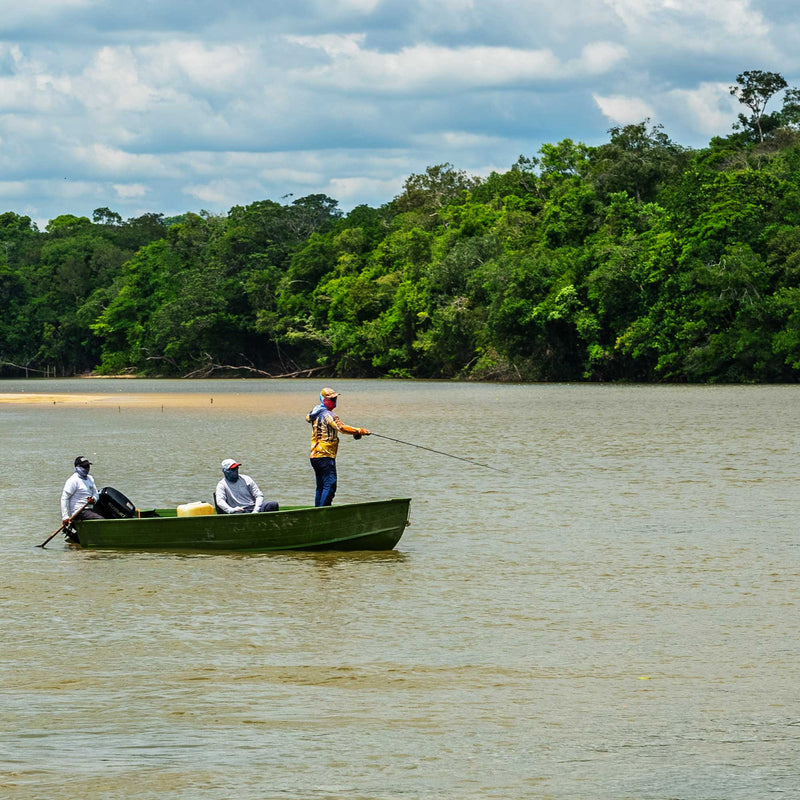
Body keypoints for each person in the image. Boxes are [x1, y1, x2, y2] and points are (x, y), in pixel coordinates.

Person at [306, 387, 370, 507]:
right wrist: (360, 430)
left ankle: (317, 511)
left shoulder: (315, 413)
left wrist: (356, 433)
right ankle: (323, 512)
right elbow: (342, 428)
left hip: (315, 456)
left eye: (335, 398)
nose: (334, 401)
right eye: (331, 399)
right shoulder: (329, 415)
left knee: (321, 486)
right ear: (323, 400)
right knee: (330, 484)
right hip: (325, 455)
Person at [214, 458, 279, 514]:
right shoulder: (221, 485)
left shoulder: (246, 479)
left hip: (253, 507)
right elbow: (220, 501)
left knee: (273, 505)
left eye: (237, 468)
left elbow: (259, 495)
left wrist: (256, 510)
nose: (236, 471)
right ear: (225, 471)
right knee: (239, 513)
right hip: (239, 510)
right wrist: (231, 510)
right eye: (233, 469)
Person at [60, 456, 105, 525]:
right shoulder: (73, 480)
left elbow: (96, 494)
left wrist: (93, 500)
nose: (87, 468)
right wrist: (65, 517)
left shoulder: (90, 478)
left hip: (90, 508)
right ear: (77, 467)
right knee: (101, 520)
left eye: (88, 466)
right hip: (79, 511)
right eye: (85, 466)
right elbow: (64, 498)